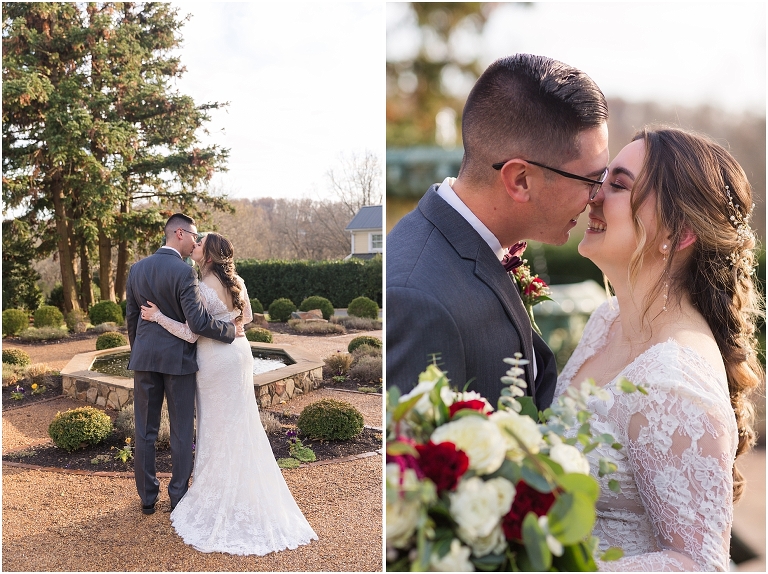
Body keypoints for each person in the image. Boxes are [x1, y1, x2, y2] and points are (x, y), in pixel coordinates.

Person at [555, 127, 763, 571]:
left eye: (619, 185)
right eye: (602, 179)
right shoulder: (605, 321)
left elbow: (697, 564)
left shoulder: (676, 380)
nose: (593, 196)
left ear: (680, 231)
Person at [386, 53, 610, 408]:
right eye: (591, 179)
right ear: (520, 180)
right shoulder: (416, 300)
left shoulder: (480, 244)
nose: (598, 196)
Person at [140, 232, 317, 555]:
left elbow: (190, 334)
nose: (194, 244)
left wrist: (157, 317)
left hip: (214, 359)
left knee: (216, 426)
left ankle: (219, 492)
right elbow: (245, 319)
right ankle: (246, 491)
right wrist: (232, 324)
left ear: (207, 256)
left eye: (200, 242)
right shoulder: (237, 280)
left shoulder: (200, 287)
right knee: (242, 422)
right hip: (240, 354)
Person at [126, 213, 241, 515]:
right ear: (179, 233)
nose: (195, 241)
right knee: (180, 431)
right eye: (194, 235)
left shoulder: (136, 269)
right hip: (179, 361)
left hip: (145, 360)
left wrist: (139, 350)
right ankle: (178, 497)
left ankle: (147, 498)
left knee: (144, 431)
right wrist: (230, 330)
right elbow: (199, 322)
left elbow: (131, 319)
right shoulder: (184, 272)